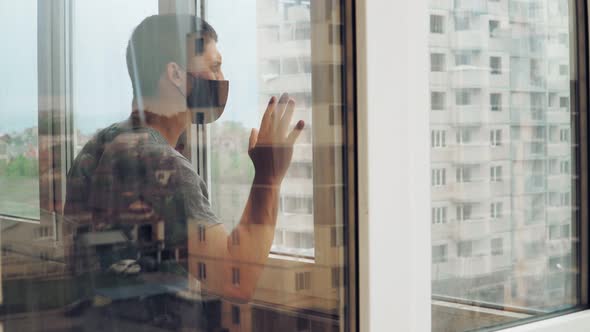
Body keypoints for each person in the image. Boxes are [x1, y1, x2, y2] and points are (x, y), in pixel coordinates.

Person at [63, 13, 304, 328]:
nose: (221, 79)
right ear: (176, 74)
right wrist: (268, 177)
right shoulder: (165, 167)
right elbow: (236, 280)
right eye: (214, 67)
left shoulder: (99, 145)